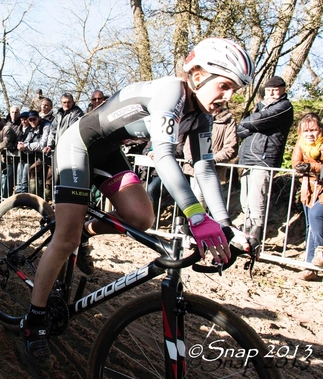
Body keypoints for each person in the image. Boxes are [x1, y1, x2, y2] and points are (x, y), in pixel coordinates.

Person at [20, 38, 256, 362]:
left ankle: (85, 234)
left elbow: (204, 166)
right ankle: (33, 319)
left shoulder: (201, 116)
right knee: (65, 238)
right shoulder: (172, 92)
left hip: (108, 153)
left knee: (141, 218)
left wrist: (225, 225)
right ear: (198, 75)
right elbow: (164, 157)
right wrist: (197, 217)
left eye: (236, 90)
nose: (229, 97)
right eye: (226, 86)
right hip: (78, 146)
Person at [237, 75, 294, 243]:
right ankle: (245, 232)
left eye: (276, 90)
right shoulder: (259, 106)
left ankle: (255, 235)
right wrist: (252, 123)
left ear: (283, 90)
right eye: (269, 90)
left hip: (264, 157)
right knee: (245, 198)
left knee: (257, 198)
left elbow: (259, 120)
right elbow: (241, 128)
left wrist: (251, 123)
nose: (272, 93)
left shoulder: (284, 106)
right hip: (248, 156)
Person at [183, 107, 238, 208]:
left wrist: (212, 160)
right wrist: (190, 158)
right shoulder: (197, 117)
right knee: (193, 198)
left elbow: (231, 148)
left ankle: (198, 222)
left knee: (199, 197)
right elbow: (188, 142)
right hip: (193, 167)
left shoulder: (228, 122)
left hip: (211, 169)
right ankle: (195, 222)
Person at [291, 113, 323, 281]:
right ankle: (310, 266)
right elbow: (295, 162)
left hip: (322, 187)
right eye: (306, 130)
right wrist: (301, 167)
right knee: (310, 225)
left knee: (316, 215)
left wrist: (312, 166)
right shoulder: (301, 144)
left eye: (313, 130)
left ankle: (321, 251)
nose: (310, 134)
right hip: (309, 187)